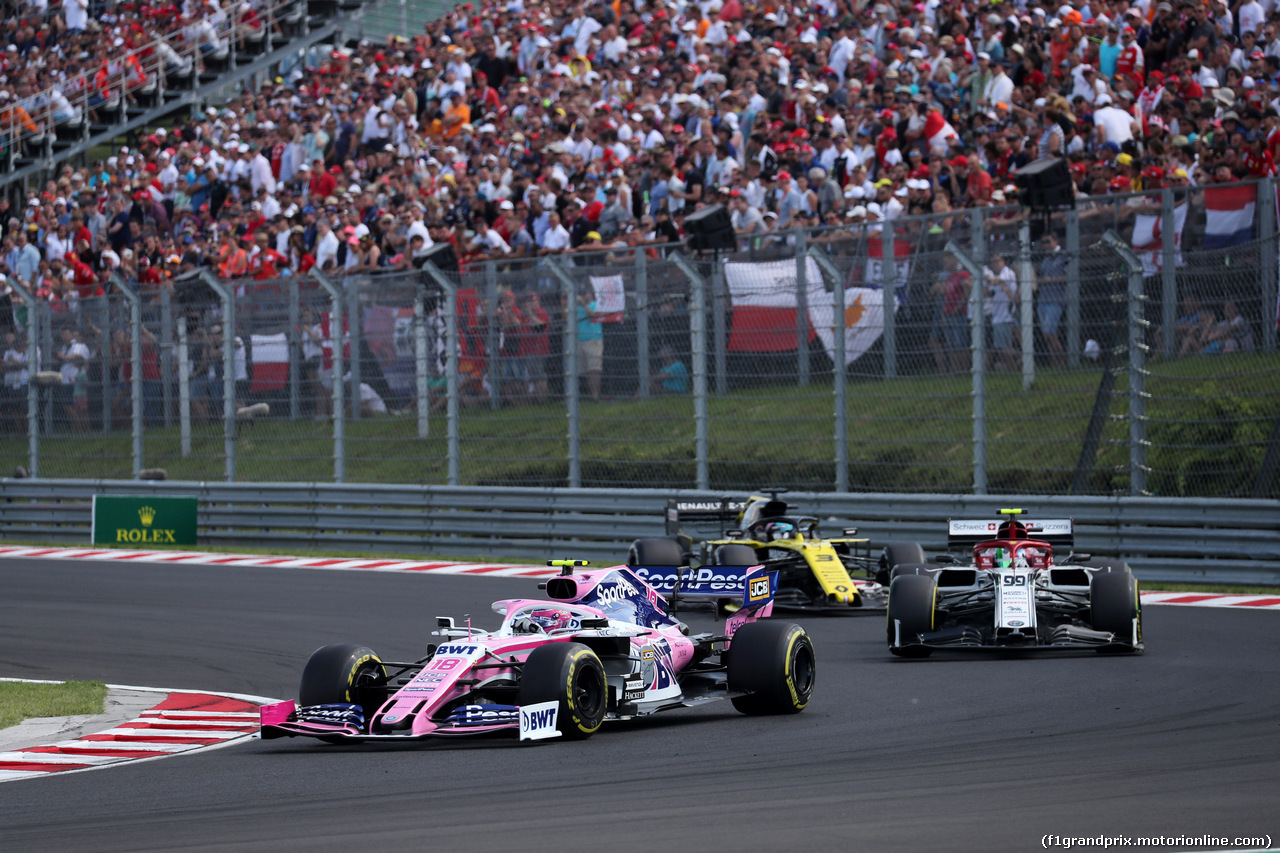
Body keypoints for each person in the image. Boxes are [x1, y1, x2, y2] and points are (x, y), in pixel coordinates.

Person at [1036, 232, 1068, 368]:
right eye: (1043, 242)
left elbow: (1069, 276)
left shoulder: (1064, 256)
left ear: (1056, 241)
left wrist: (1052, 280)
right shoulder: (1046, 259)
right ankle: (1054, 363)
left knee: (1050, 333)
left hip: (1056, 298)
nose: (1045, 245)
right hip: (1044, 298)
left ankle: (1061, 361)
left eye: (1048, 241)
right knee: (1047, 334)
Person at [984, 254, 1018, 371]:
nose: (993, 265)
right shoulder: (996, 276)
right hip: (997, 316)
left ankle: (1024, 358)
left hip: (1005, 316)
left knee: (1004, 347)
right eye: (992, 262)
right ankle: (1013, 368)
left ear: (1003, 262)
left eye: (996, 262)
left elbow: (996, 281)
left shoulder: (1007, 272)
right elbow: (989, 293)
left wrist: (987, 277)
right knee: (1001, 347)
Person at [576, 286, 603, 402]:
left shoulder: (596, 304)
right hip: (580, 340)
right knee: (586, 370)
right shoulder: (577, 308)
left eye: (585, 293)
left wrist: (584, 305)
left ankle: (596, 395)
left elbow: (592, 316)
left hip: (593, 340)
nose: (583, 296)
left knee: (594, 370)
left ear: (591, 294)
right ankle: (591, 395)